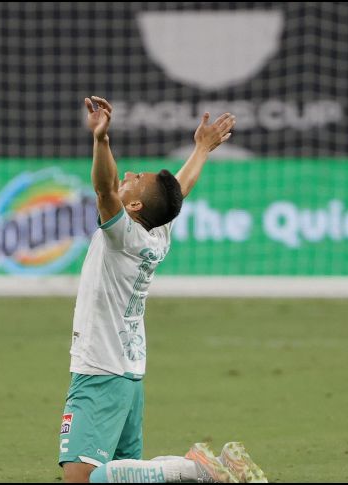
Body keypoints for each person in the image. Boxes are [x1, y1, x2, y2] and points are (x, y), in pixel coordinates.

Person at [58, 96, 256, 483]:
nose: (129, 173)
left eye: (135, 179)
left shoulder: (123, 235)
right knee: (122, 475)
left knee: (83, 480)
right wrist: (201, 148)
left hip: (100, 370)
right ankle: (191, 469)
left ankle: (194, 468)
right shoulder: (156, 228)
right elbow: (178, 190)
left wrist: (102, 141)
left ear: (131, 206)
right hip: (129, 374)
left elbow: (102, 191)